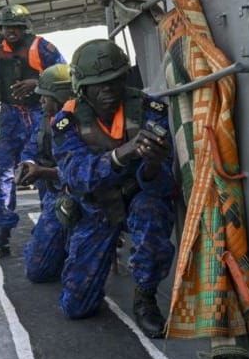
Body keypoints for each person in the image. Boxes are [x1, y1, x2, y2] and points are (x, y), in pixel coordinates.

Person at [52, 39, 175, 336]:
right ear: (82, 88)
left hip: (136, 199)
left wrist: (154, 164)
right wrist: (124, 154)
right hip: (96, 208)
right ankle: (87, 261)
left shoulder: (150, 110)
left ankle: (145, 295)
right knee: (76, 308)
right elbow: (77, 175)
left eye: (114, 82)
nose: (108, 91)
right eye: (99, 85)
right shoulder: (66, 123)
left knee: (152, 209)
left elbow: (165, 186)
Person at [0, 4, 65, 255]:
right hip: (10, 114)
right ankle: (3, 230)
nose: (11, 31)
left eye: (16, 27)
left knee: (42, 163)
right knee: (4, 171)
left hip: (38, 112)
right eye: (6, 27)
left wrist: (37, 82)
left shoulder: (42, 47)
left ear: (25, 28)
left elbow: (65, 75)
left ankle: (50, 221)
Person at [16, 63, 74, 283]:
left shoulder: (81, 123)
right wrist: (29, 163)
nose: (40, 101)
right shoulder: (45, 119)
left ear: (61, 97)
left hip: (82, 197)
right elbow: (31, 146)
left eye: (45, 96)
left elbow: (82, 171)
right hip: (54, 195)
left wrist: (44, 172)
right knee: (36, 270)